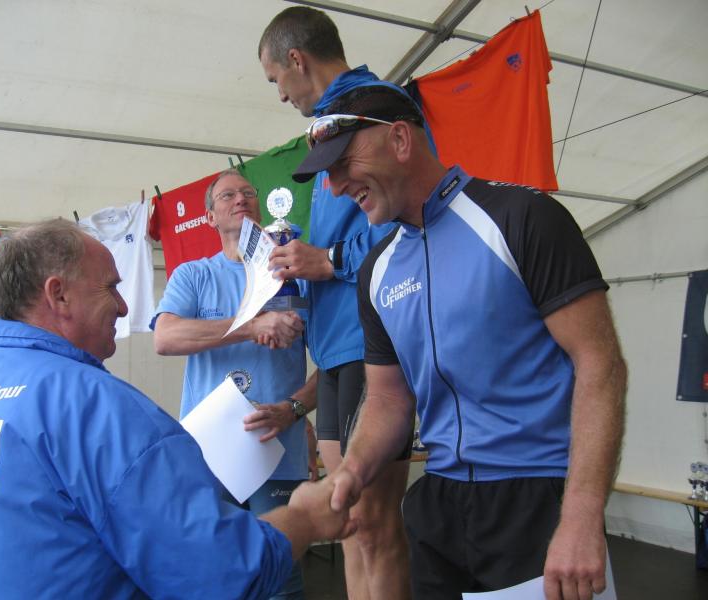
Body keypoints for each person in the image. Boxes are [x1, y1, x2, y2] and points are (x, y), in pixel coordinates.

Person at [292, 83, 628, 600]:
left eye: (343, 164)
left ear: (400, 139)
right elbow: (387, 398)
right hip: (439, 506)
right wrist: (351, 472)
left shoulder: (522, 217)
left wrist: (582, 515)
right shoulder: (376, 270)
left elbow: (600, 364)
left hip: (536, 497)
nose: (335, 187)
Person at [0, 219, 354, 599]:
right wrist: (305, 518)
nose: (123, 308)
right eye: (111, 288)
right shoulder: (98, 409)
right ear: (58, 295)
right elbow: (219, 572)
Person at [259, 8, 411, 599]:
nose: (279, 95)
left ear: (297, 60)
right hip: (333, 351)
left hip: (372, 346)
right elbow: (335, 246)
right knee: (345, 522)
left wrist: (327, 259)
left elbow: (407, 227)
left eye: (276, 79)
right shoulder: (327, 126)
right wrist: (294, 272)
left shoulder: (373, 108)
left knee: (374, 524)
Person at [152, 169, 316, 600]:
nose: (240, 199)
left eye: (248, 192)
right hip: (209, 454)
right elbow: (165, 338)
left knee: (281, 576)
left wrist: (294, 410)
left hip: (279, 451)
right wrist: (251, 326)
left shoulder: (294, 276)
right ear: (209, 217)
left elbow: (334, 366)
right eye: (227, 195)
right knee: (213, 575)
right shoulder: (193, 275)